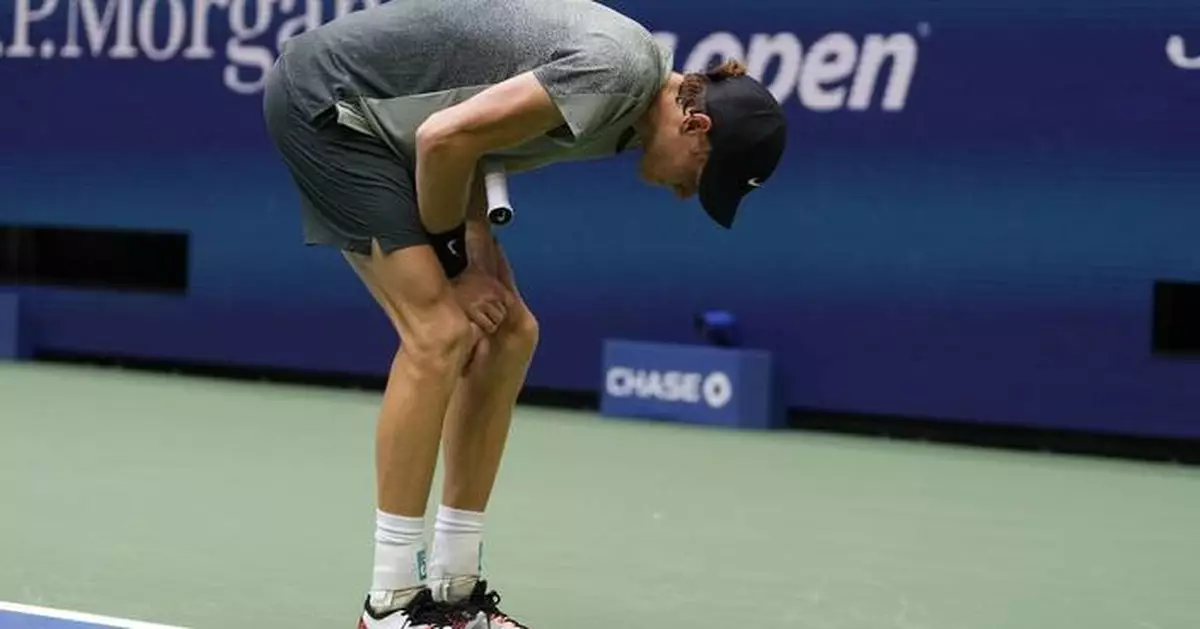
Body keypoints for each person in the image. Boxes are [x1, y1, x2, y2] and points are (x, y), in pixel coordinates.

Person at [262, 0, 786, 627]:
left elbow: (477, 149)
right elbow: (442, 137)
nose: (688, 192)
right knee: (439, 332)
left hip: (408, 136)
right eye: (703, 176)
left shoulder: (626, 117)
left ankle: (457, 592)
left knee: (511, 333)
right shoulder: (617, 73)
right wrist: (457, 268)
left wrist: (478, 264)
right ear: (695, 126)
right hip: (332, 106)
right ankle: (391, 603)